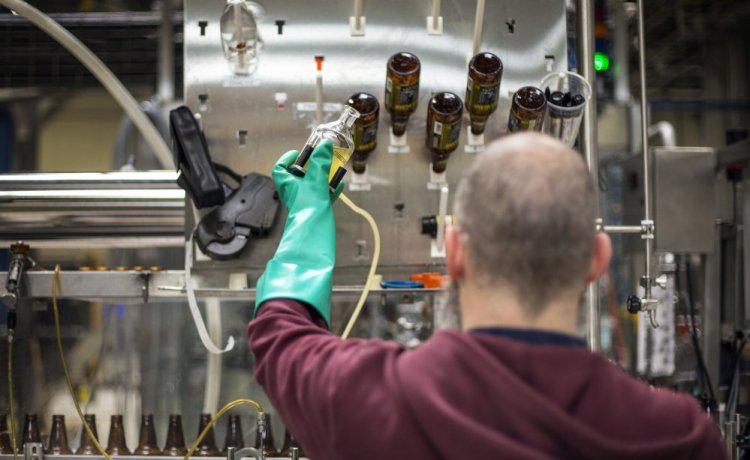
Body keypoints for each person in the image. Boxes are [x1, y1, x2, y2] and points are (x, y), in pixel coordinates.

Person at [247, 133, 727, 459]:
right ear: (597, 261)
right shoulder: (677, 436)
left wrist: (309, 212)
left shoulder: (365, 398)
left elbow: (279, 334)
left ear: (454, 252)